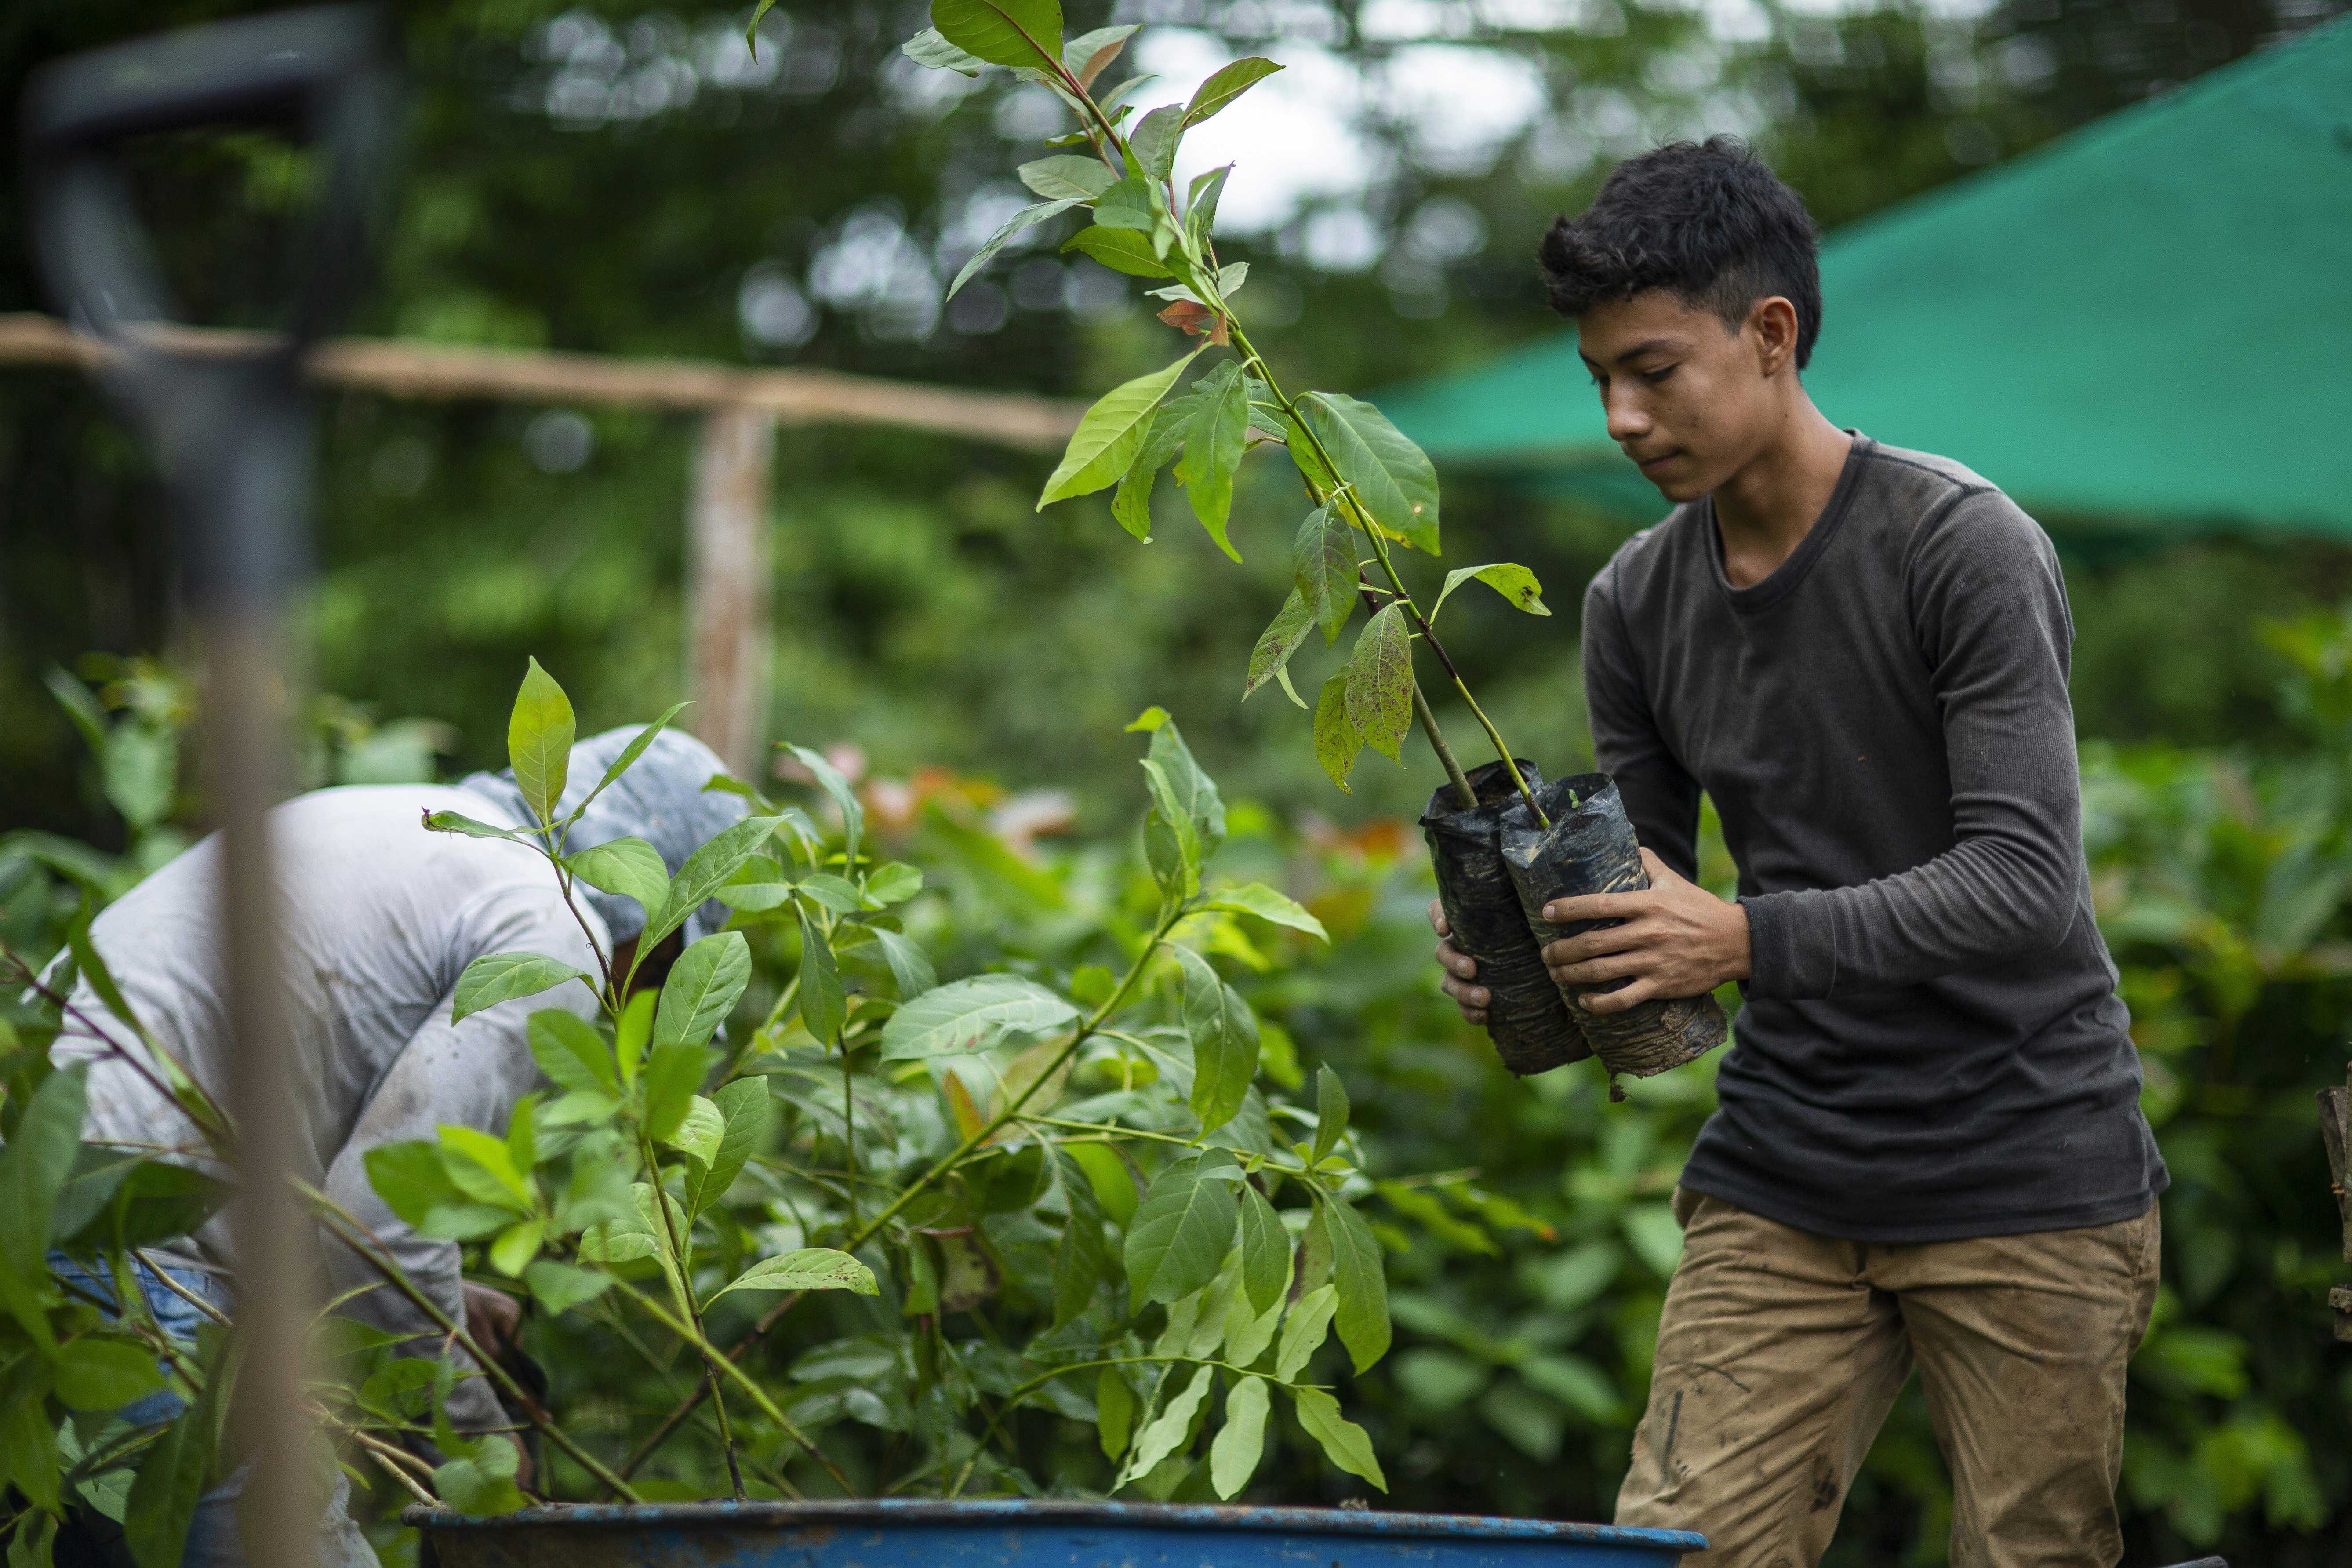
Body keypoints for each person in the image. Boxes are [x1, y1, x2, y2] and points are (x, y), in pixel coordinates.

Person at [1429, 138, 2166, 1568]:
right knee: (1681, 1549)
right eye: (1598, 381)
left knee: (2034, 1553)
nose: (1619, 417)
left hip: (2025, 1163)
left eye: (1653, 369)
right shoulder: (1634, 600)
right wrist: (1535, 955)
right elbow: (1644, 886)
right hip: (1787, 1165)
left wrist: (1747, 938)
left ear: (1770, 336)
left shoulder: (1959, 545)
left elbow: (2023, 881)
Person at [49, 726, 744, 1568]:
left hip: (45, 1191)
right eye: (670, 966)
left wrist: (444, 1296)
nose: (643, 991)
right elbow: (376, 1218)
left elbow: (311, 1179)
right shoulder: (553, 928)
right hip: (126, 1248)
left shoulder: (413, 826)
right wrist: (483, 1438)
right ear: (659, 909)